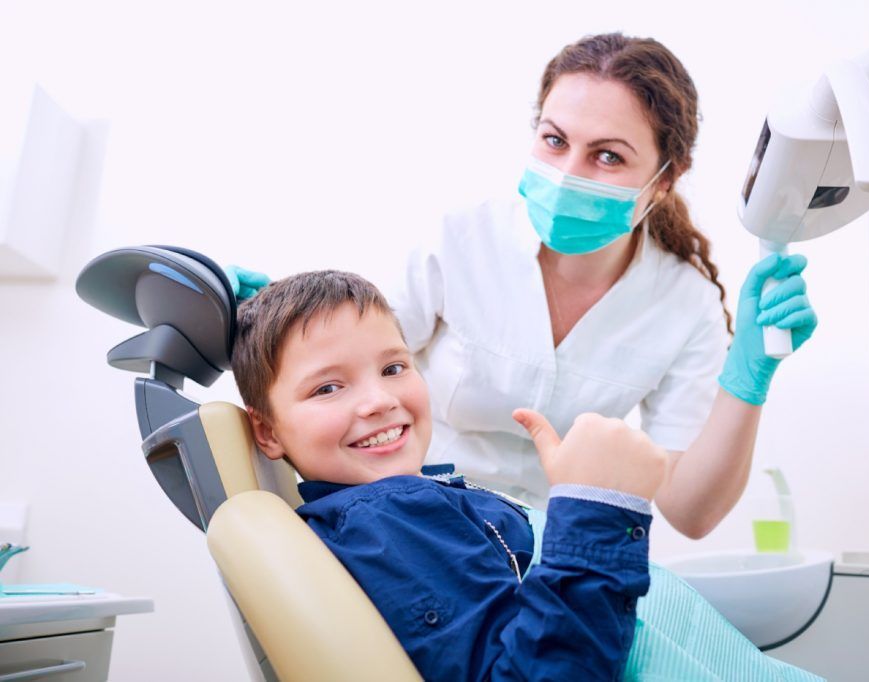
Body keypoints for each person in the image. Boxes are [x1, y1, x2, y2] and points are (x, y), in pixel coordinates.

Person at [227, 32, 817, 534]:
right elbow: (348, 368)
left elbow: (689, 512)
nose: (567, 174)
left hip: (546, 549)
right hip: (414, 526)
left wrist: (748, 383)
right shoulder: (461, 240)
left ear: (666, 178)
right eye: (555, 140)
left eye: (607, 156)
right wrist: (265, 320)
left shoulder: (683, 303)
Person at [229, 269, 821, 681]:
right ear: (269, 432)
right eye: (329, 387)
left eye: (393, 366)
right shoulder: (391, 519)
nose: (379, 400)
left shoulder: (402, 505)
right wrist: (595, 509)